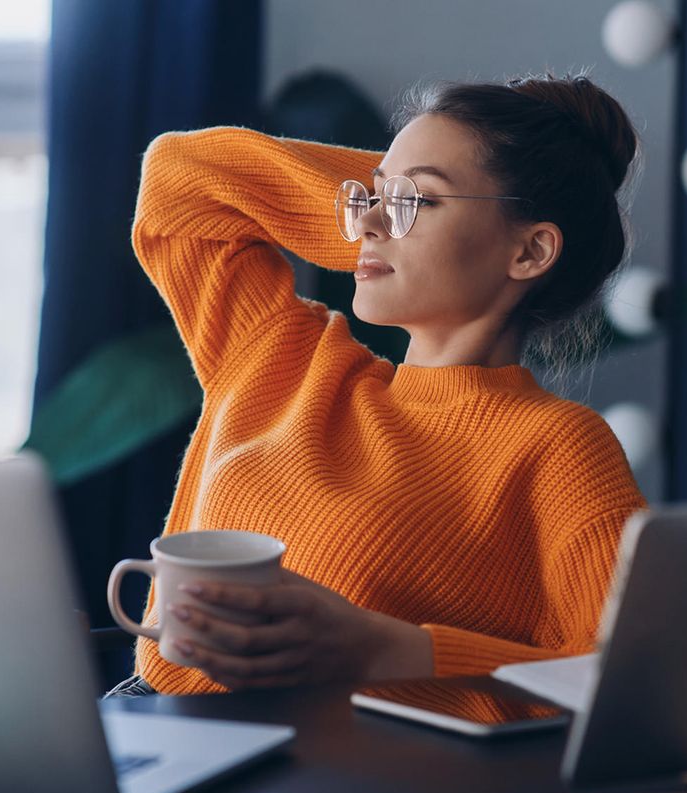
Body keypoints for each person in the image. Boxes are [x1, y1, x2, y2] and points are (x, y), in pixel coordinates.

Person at [105, 70, 648, 698]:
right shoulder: (284, 359)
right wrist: (402, 195)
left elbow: (630, 679)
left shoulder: (558, 447)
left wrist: (394, 651)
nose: (366, 223)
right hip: (155, 721)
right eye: (370, 196)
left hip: (338, 772)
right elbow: (179, 177)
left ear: (528, 253)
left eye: (417, 201)